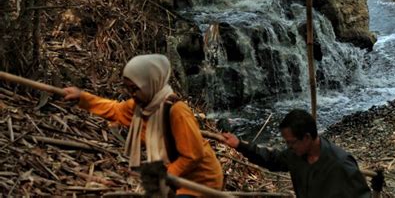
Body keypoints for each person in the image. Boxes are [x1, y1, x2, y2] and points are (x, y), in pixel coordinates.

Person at [63, 54, 223, 197]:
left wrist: (164, 175)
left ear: (150, 84)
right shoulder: (141, 106)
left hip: (201, 180)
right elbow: (115, 110)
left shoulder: (177, 111)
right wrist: (82, 97)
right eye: (128, 89)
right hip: (175, 176)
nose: (132, 94)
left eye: (135, 89)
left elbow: (193, 156)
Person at [221, 109, 371, 198]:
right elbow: (272, 159)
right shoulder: (296, 155)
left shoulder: (341, 164)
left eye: (291, 142)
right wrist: (240, 145)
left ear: (306, 137)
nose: (288, 146)